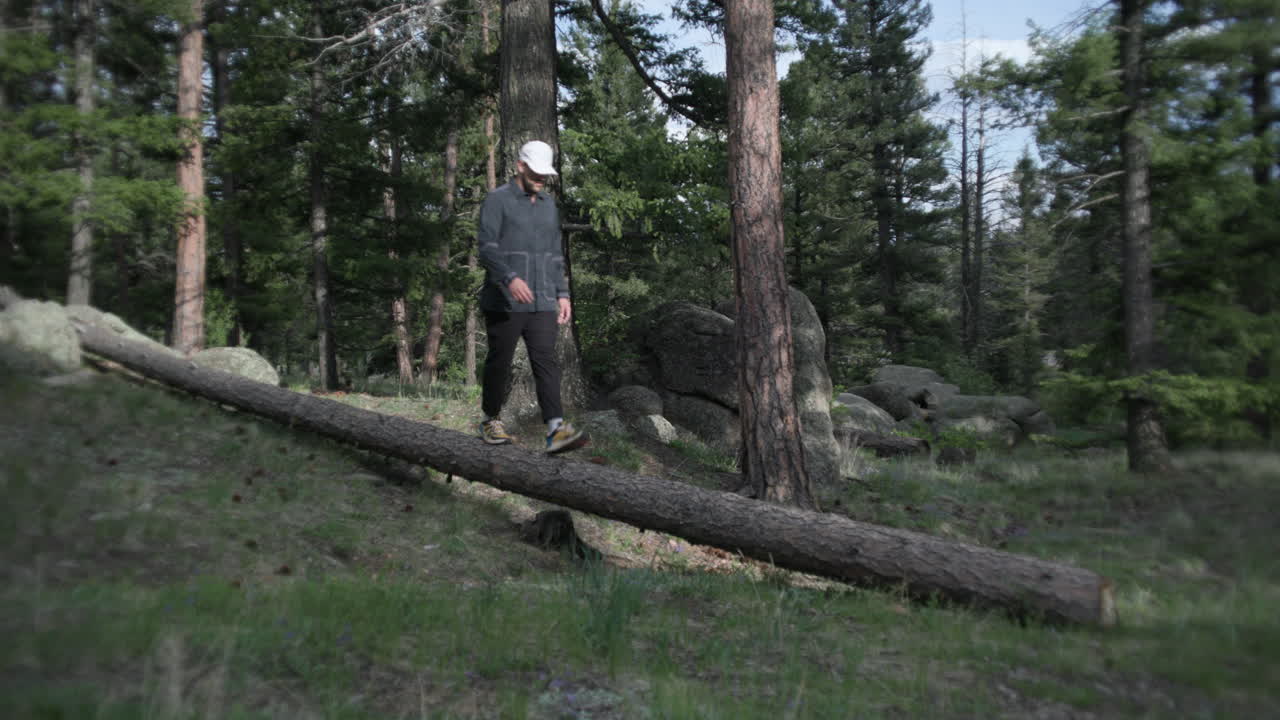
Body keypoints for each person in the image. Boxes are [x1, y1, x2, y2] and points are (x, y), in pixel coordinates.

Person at [476, 140, 584, 453]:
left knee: (547, 362)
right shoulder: (497, 200)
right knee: (500, 362)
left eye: (545, 174)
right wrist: (509, 278)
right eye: (536, 172)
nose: (541, 179)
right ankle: (490, 420)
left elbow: (553, 252)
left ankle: (556, 430)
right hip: (504, 300)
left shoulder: (549, 205)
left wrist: (562, 293)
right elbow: (487, 247)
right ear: (520, 166)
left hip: (543, 299)